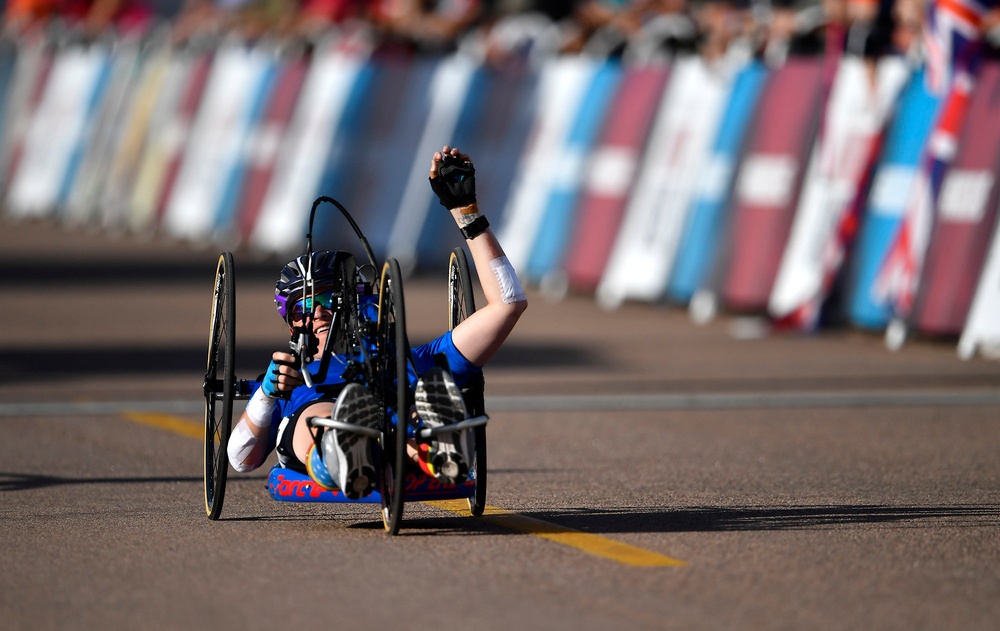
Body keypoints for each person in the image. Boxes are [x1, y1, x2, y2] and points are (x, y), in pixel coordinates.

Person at [226, 146, 528, 499]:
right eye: (303, 308)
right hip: (312, 436)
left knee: (417, 402)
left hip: (398, 419)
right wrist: (266, 394)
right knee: (319, 413)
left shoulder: (414, 361)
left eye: (331, 300)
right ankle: (339, 451)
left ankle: (436, 448)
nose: (320, 312)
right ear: (292, 325)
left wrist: (467, 214)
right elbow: (241, 459)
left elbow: (508, 304)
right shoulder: (286, 375)